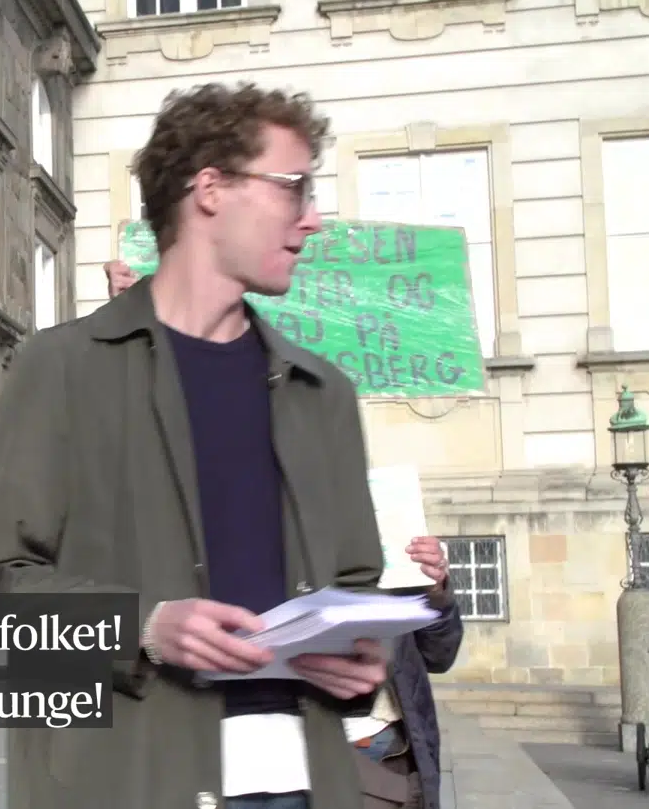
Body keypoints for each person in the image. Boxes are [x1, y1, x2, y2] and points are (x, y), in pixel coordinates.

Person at [0, 82, 392, 809]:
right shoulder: (62, 367)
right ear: (211, 189)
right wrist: (145, 627)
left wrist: (361, 656)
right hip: (123, 782)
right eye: (294, 187)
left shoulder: (323, 392)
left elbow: (356, 585)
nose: (313, 219)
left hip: (303, 782)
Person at [103, 230, 466, 809]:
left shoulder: (389, 517)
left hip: (385, 761)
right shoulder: (251, 509)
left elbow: (439, 655)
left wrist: (438, 590)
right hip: (280, 751)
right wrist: (137, 319)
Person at [344, 537, 463, 809]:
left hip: (381, 744)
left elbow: (439, 657)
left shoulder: (395, 537)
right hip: (287, 746)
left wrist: (435, 592)